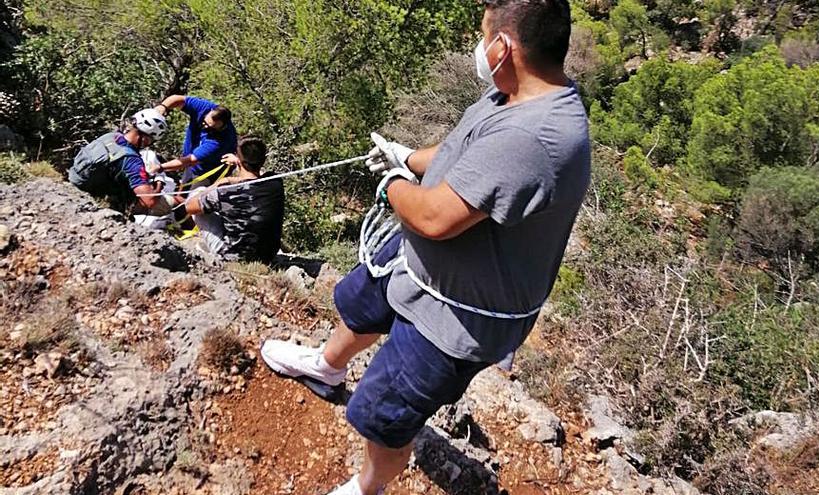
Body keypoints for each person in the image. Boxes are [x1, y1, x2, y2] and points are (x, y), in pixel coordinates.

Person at [260, 1, 590, 494]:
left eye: (482, 37)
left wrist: (395, 182)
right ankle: (327, 368)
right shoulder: (516, 95)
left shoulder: (532, 136)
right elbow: (465, 149)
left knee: (386, 411)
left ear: (503, 47)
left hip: (457, 314)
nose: (477, 48)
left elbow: (434, 219)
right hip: (424, 268)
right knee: (361, 300)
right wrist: (408, 158)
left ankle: (366, 487)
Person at [183, 136, 284, 264]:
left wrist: (218, 184)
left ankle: (213, 251)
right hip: (267, 256)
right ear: (263, 160)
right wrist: (239, 164)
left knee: (199, 193)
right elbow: (255, 177)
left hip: (233, 257)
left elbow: (189, 207)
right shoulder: (275, 182)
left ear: (239, 160)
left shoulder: (224, 191)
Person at [68, 109, 169, 213]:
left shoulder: (111, 136)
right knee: (168, 206)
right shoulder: (132, 160)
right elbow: (149, 201)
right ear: (146, 139)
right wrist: (159, 184)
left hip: (74, 180)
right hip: (96, 199)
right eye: (151, 141)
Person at [148, 94, 238, 189]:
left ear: (222, 126)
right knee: (181, 193)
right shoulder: (204, 107)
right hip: (190, 165)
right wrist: (163, 107)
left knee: (194, 199)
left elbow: (190, 160)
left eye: (210, 127)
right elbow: (177, 99)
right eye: (205, 122)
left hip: (208, 171)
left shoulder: (220, 141)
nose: (205, 126)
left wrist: (160, 167)